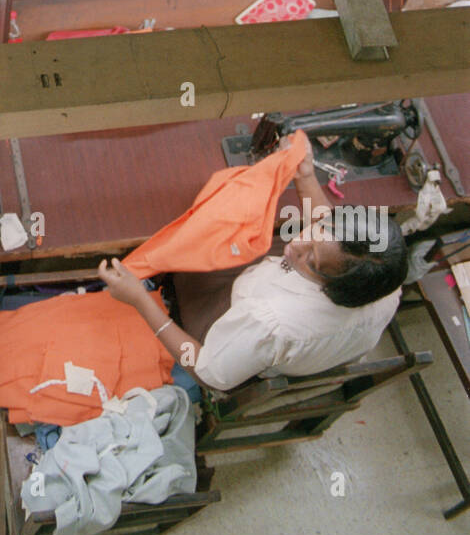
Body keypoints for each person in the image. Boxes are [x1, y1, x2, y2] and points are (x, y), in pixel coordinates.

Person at [98, 134, 407, 393]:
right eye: (315, 232)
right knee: (234, 235)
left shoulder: (270, 322)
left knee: (188, 257)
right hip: (295, 333)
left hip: (225, 342)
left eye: (310, 260)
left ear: (333, 288)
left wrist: (140, 300)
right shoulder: (381, 276)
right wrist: (305, 175)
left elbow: (208, 373)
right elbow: (330, 235)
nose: (296, 243)